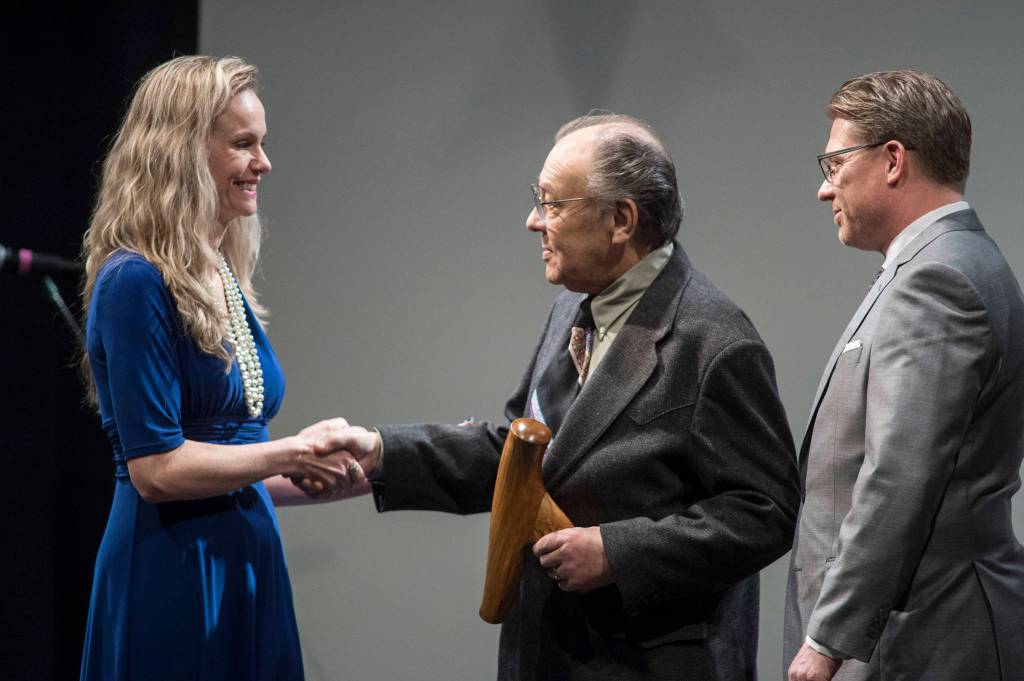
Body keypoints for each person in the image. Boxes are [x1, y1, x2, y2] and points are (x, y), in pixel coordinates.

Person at [320, 113, 801, 680]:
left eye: (551, 204)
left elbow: (763, 512)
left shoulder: (715, 340)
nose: (532, 222)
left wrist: (617, 553)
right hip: (548, 656)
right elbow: (520, 458)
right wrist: (382, 452)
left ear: (620, 220)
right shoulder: (570, 313)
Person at [78, 55, 364, 681]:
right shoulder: (135, 279)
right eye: (243, 144)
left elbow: (237, 461)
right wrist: (289, 452)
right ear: (183, 152)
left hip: (244, 557)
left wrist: (349, 471)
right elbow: (156, 470)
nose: (264, 163)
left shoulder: (218, 271)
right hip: (172, 567)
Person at [785, 70, 1024, 681]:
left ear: (893, 160)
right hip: (912, 634)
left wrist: (828, 640)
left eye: (835, 163)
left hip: (923, 642)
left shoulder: (937, 279)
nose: (823, 189)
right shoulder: (940, 264)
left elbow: (900, 474)